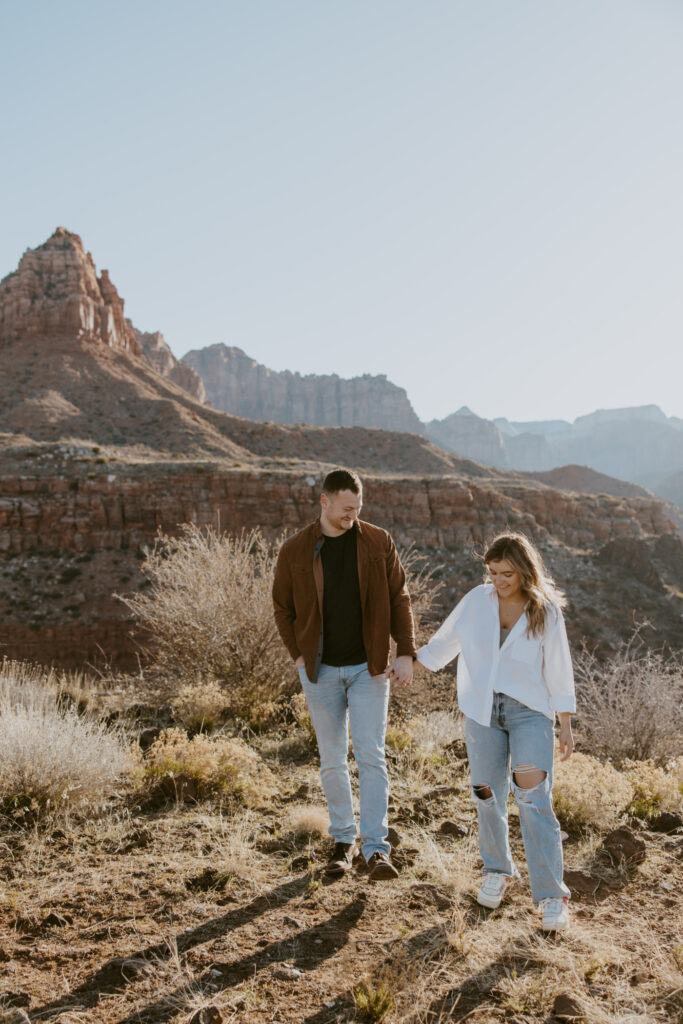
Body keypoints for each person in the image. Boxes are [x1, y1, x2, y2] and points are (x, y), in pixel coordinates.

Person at [416, 532, 575, 931]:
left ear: (524, 570)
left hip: (530, 715)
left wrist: (565, 725)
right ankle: (497, 870)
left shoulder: (546, 611)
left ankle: (552, 896)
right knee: (485, 794)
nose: (499, 580)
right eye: (492, 572)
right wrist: (407, 666)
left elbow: (559, 669)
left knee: (533, 798)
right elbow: (443, 643)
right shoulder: (476, 601)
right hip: (482, 711)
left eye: (507, 573)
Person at [273, 468, 416, 880]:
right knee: (333, 760)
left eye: (358, 508)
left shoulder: (377, 541)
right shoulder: (295, 550)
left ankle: (375, 850)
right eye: (346, 508)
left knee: (372, 756)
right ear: (324, 501)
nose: (352, 515)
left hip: (369, 667)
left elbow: (398, 597)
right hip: (319, 672)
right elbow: (281, 606)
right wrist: (298, 656)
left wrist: (405, 652)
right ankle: (342, 842)